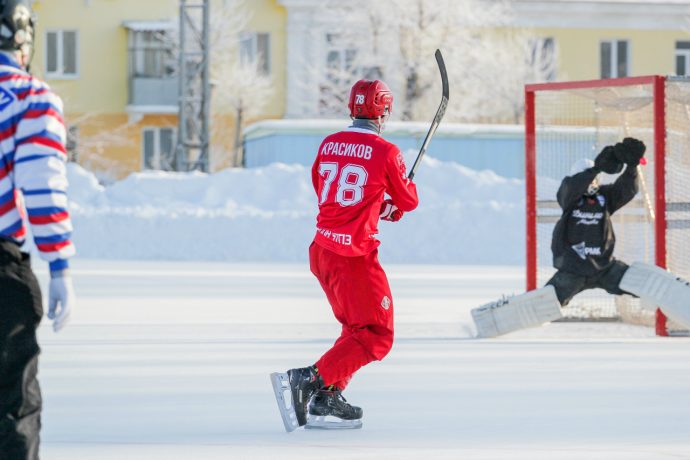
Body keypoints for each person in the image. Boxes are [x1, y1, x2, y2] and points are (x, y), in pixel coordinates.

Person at [271, 79, 418, 431]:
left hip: (323, 250)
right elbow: (409, 201)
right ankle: (308, 380)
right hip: (353, 256)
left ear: (352, 107)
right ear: (383, 110)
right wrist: (395, 196)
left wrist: (377, 206)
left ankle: (327, 398)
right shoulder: (386, 151)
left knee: (356, 328)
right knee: (377, 334)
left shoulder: (330, 143)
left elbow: (328, 189)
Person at [472, 137, 690, 337]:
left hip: (604, 267)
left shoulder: (604, 198)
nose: (592, 185)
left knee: (647, 282)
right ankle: (490, 323)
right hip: (573, 269)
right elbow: (572, 187)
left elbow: (626, 191)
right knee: (542, 304)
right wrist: (595, 168)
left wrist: (632, 167)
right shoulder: (569, 197)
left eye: (595, 181)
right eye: (589, 180)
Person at [0, 1, 76, 458]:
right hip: (1, 268)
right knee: (12, 406)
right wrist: (60, 264)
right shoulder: (29, 97)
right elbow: (43, 185)